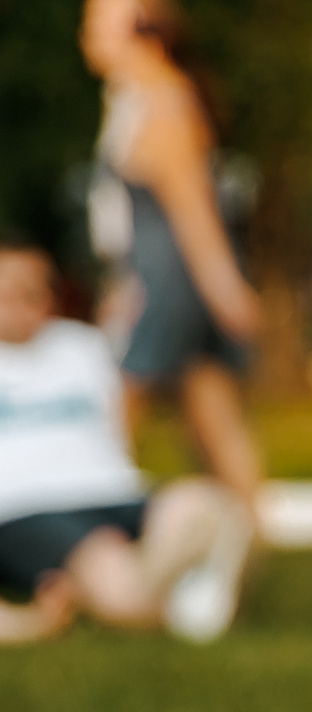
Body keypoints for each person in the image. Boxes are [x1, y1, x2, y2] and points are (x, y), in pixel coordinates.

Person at [0, 239, 249, 644]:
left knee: (201, 503)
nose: (21, 300)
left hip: (117, 490)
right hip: (28, 508)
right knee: (116, 587)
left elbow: (138, 389)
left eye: (33, 288)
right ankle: (181, 588)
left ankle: (172, 581)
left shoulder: (82, 346)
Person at [80, 0, 263, 511]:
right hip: (154, 275)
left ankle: (91, 534)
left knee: (113, 415)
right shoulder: (133, 101)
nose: (86, 37)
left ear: (146, 35)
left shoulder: (163, 109)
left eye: (98, 25)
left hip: (166, 283)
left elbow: (193, 212)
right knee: (209, 412)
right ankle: (244, 537)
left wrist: (226, 290)